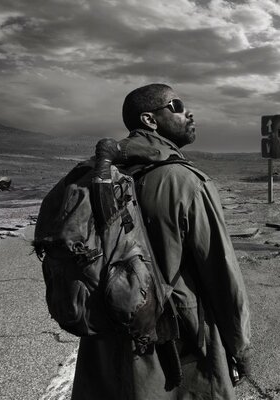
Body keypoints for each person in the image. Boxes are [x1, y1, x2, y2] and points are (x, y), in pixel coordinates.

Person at [71, 83, 251, 400]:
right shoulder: (185, 181)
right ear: (150, 120)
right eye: (176, 105)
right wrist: (240, 348)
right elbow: (221, 276)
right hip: (174, 348)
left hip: (103, 346)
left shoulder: (93, 176)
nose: (188, 113)